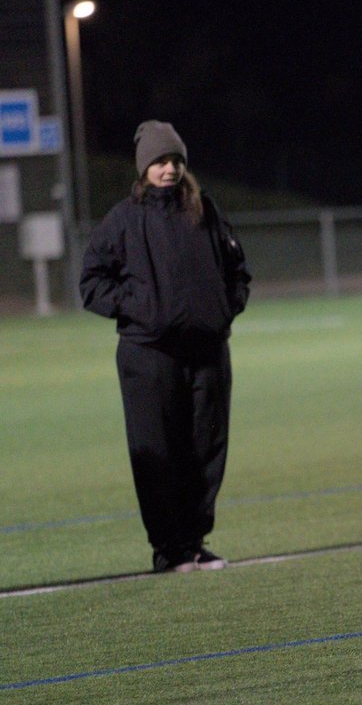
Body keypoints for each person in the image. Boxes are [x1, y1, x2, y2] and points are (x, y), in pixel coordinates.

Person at [79, 120, 251, 573]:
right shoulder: (124, 219)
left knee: (206, 449)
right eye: (159, 161)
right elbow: (92, 283)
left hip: (208, 353)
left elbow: (238, 271)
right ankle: (168, 549)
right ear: (144, 168)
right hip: (148, 355)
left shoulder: (206, 212)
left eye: (175, 160)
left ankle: (194, 543)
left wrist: (224, 310)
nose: (169, 168)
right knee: (159, 453)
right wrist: (143, 309)